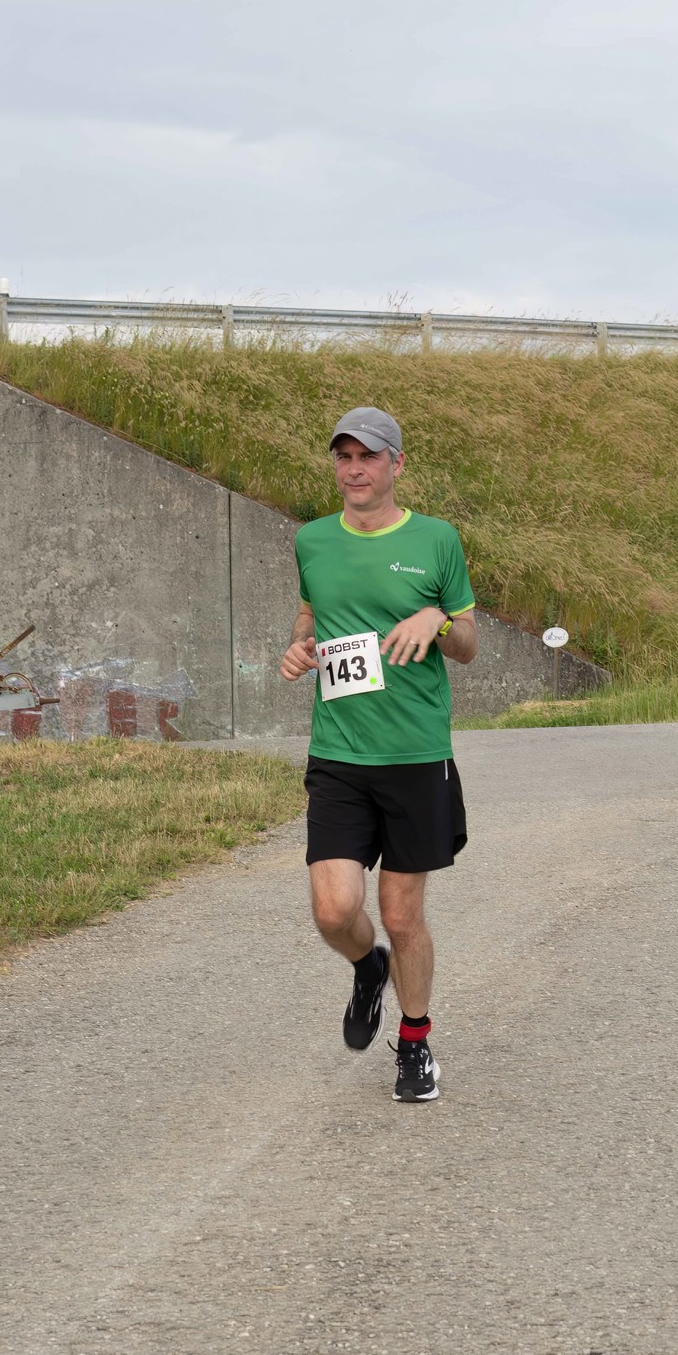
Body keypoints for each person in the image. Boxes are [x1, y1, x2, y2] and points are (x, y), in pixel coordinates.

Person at [281, 407, 478, 1102]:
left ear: (396, 464)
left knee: (401, 914)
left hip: (415, 755)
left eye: (368, 456)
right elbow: (310, 612)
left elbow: (468, 642)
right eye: (344, 457)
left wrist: (438, 618)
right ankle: (369, 968)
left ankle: (415, 1043)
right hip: (338, 754)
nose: (354, 469)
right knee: (335, 912)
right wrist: (299, 646)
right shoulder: (312, 539)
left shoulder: (436, 540)